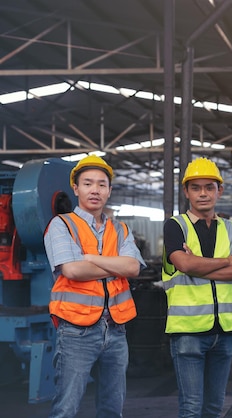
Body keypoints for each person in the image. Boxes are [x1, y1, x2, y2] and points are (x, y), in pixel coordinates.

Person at [44, 155, 146, 418]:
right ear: (75, 188)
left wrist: (91, 258)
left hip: (115, 330)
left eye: (102, 184)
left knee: (112, 409)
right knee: (65, 409)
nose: (95, 190)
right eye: (88, 183)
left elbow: (134, 268)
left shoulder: (120, 229)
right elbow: (73, 270)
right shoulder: (62, 225)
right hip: (76, 333)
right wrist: (116, 264)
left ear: (109, 191)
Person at [162, 157, 232, 418]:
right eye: (196, 188)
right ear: (186, 192)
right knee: (191, 409)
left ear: (219, 190)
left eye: (209, 187)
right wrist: (227, 261)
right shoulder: (175, 226)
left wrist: (199, 264)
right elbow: (184, 264)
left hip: (224, 332)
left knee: (214, 409)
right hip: (188, 332)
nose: (203, 193)